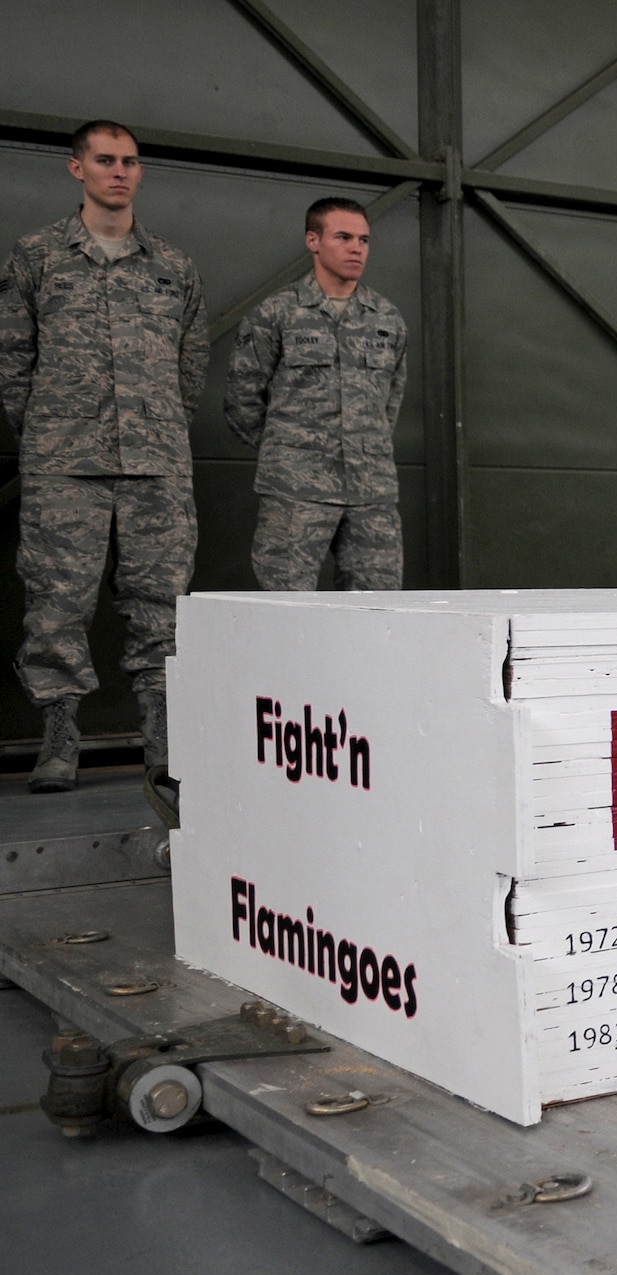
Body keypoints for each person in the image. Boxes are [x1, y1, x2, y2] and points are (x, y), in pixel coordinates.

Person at [0, 121, 207, 791]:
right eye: (105, 160)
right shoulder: (35, 258)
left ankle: (163, 740)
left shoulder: (173, 267)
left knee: (163, 606)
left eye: (130, 162)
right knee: (56, 604)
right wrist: (48, 433)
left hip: (157, 463)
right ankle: (59, 737)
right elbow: (12, 361)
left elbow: (191, 364)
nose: (119, 171)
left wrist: (164, 427)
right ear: (76, 169)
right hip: (64, 462)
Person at [225, 197, 409, 593]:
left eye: (363, 239)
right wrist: (288, 452)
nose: (356, 247)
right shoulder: (276, 314)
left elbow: (389, 401)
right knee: (287, 609)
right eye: (343, 237)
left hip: (370, 492)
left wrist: (363, 446)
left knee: (377, 611)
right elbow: (242, 399)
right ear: (313, 240)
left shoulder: (386, 318)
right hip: (295, 492)